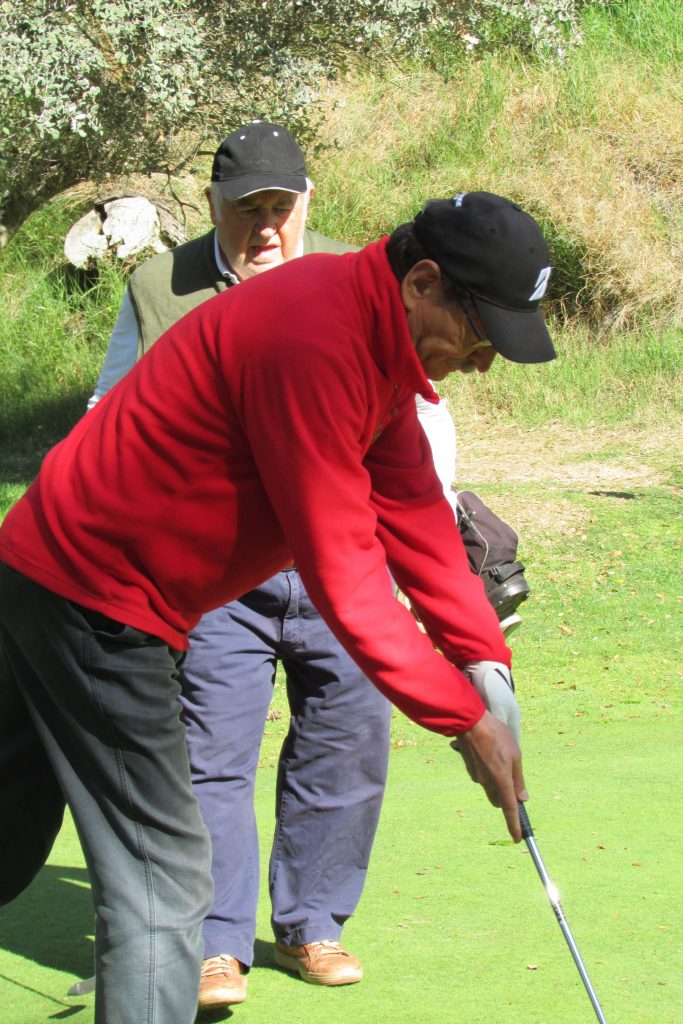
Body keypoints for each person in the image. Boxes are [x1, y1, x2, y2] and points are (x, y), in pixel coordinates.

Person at [0, 188, 555, 1024]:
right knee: (164, 879)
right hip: (96, 596)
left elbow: (411, 509)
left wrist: (482, 660)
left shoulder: (369, 336)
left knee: (7, 835)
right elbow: (345, 570)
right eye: (481, 335)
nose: (482, 364)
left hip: (58, 572)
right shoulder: (315, 338)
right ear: (423, 283)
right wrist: (461, 720)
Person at [86, 121, 464, 1010]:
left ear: (306, 203)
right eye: (245, 209)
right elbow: (109, 409)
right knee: (211, 753)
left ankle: (311, 924)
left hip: (343, 561)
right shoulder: (157, 285)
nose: (265, 228)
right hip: (218, 572)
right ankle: (215, 944)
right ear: (212, 206)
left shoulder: (359, 276)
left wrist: (429, 543)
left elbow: (422, 420)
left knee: (346, 742)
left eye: (280, 208)